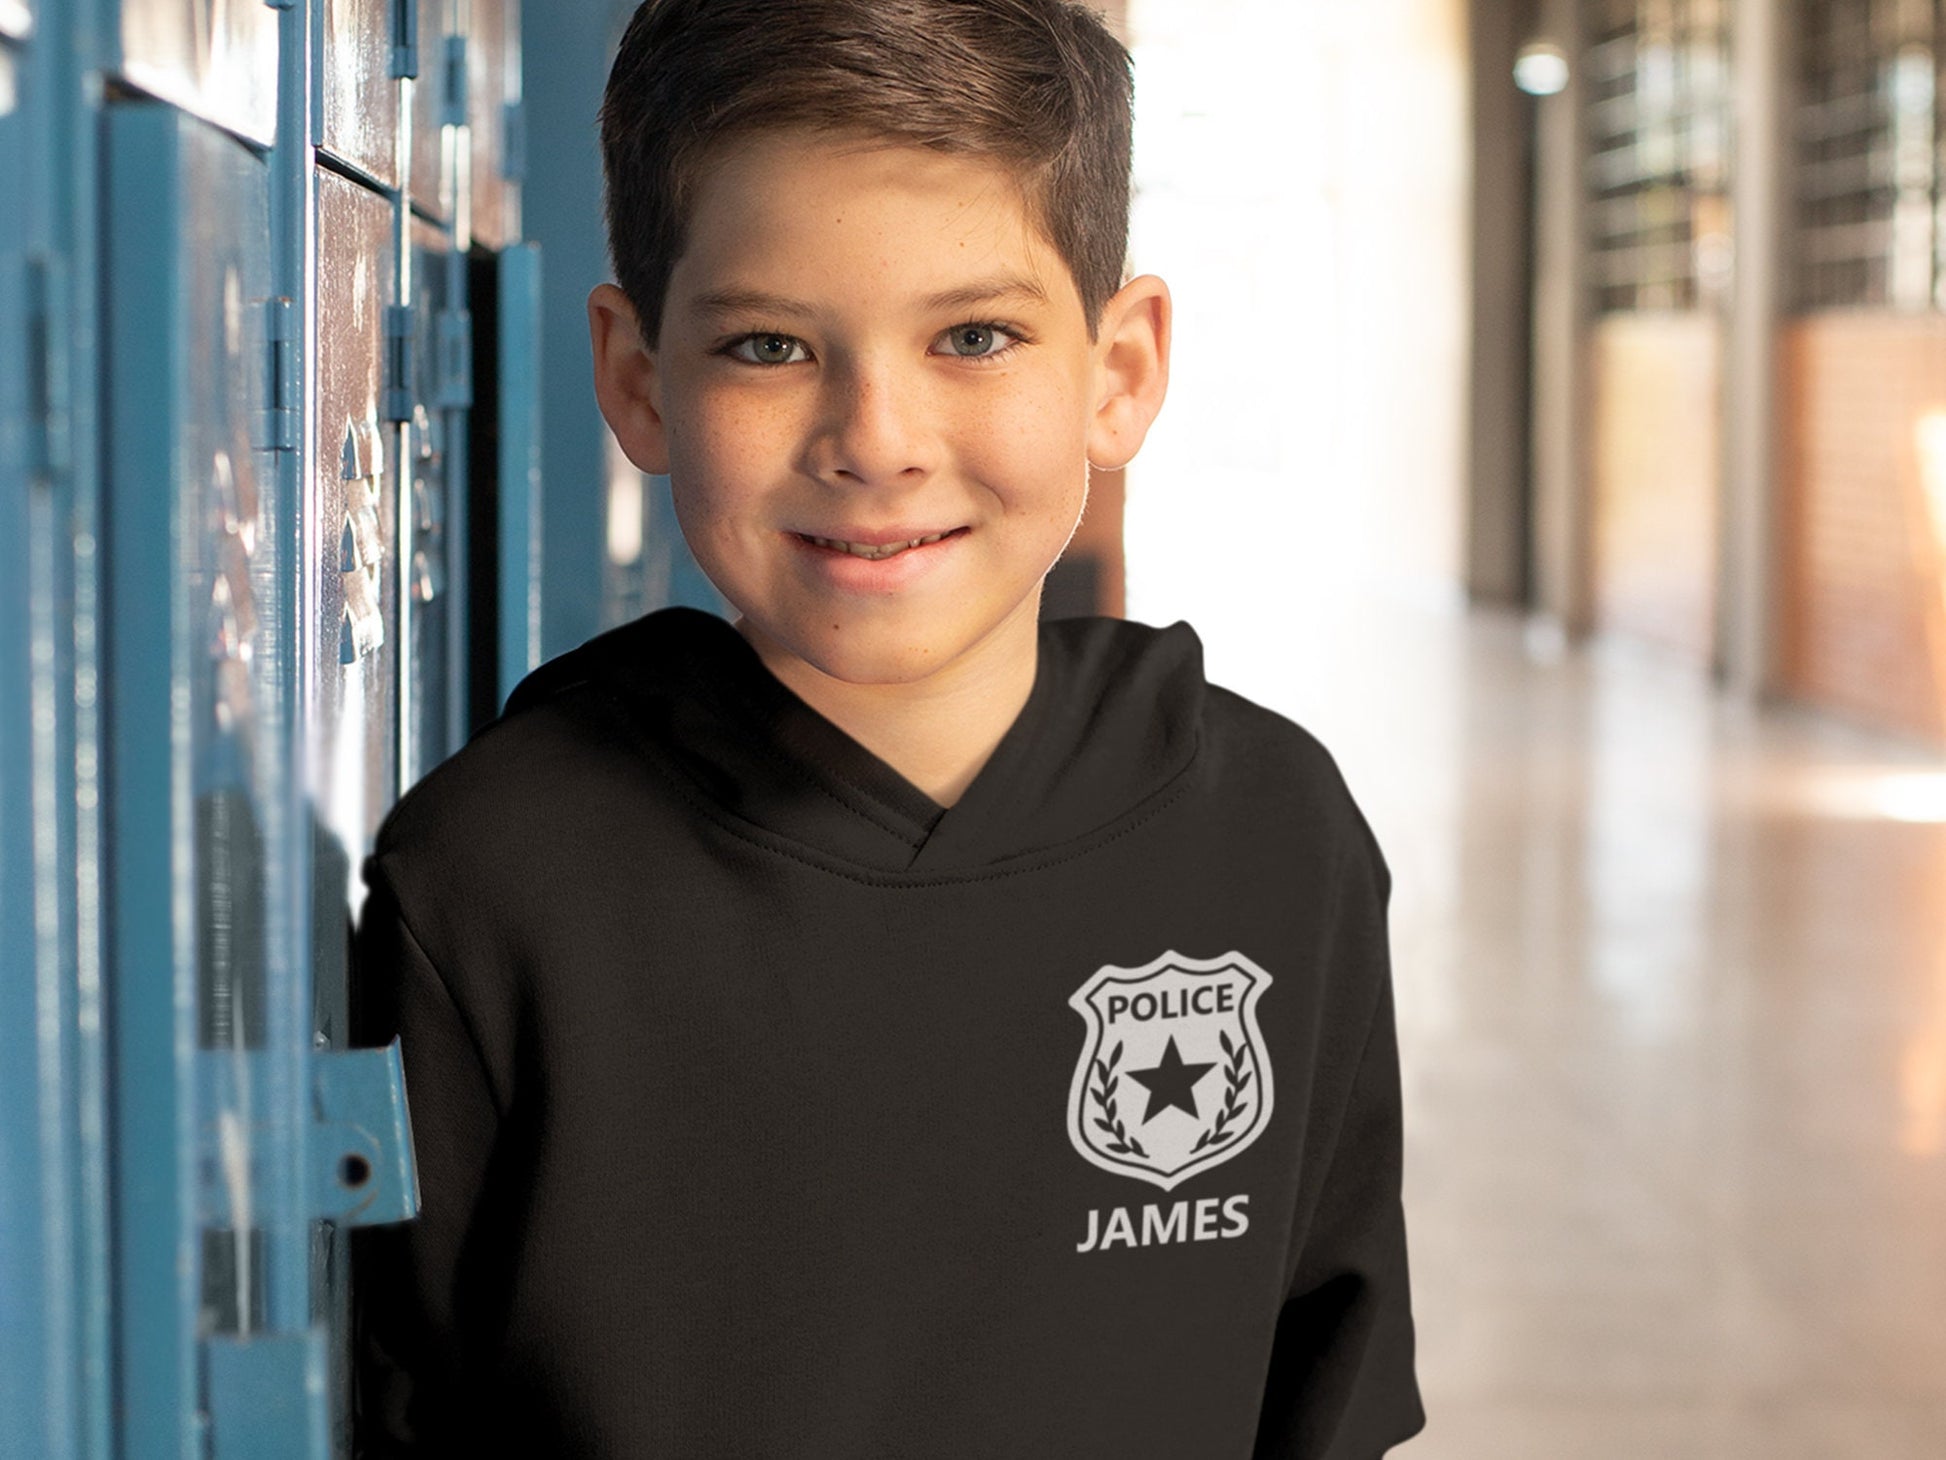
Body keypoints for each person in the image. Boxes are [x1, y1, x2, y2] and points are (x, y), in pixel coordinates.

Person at [349, 0, 1426, 1454]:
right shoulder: (492, 882)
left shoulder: (1269, 837)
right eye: (769, 346)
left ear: (1118, 372)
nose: (877, 437)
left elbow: (1328, 1394)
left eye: (972, 336)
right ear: (634, 378)